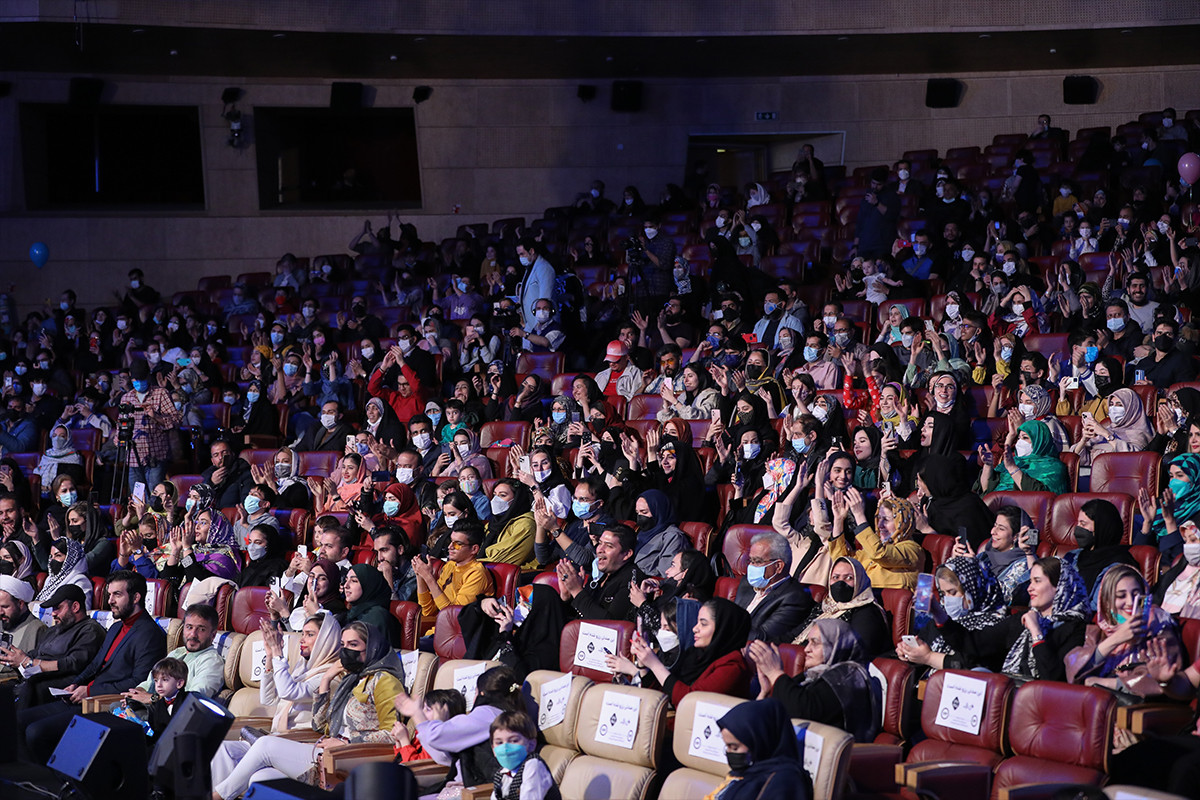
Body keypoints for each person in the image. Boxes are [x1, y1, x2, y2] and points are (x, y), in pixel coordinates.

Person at [211, 621, 403, 799]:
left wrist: (347, 742)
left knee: (265, 745)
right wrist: (326, 679)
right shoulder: (350, 679)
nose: (346, 651)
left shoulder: (384, 681)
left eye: (353, 645)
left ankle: (216, 797)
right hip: (325, 751)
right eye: (343, 645)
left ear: (372, 648)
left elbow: (393, 734)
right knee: (261, 778)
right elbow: (319, 725)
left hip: (350, 759)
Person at [19, 571, 167, 762]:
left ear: (136, 597)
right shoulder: (116, 627)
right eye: (109, 594)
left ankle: (52, 777)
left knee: (36, 732)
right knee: (18, 720)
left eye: (117, 594)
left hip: (105, 705)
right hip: (84, 698)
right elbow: (95, 664)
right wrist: (76, 683)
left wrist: (90, 691)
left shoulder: (149, 634)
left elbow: (137, 682)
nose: (110, 600)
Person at [930, 556, 1088, 680]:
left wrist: (1036, 632)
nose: (1029, 588)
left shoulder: (1076, 627)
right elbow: (974, 644)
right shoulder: (1021, 620)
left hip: (1039, 701)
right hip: (1008, 694)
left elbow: (1053, 677)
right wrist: (939, 614)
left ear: (1060, 586)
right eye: (1030, 581)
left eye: (1037, 581)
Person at [397, 665, 526, 796]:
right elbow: (446, 758)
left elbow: (436, 736)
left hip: (474, 792)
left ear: (481, 693)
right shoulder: (507, 714)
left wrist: (417, 713)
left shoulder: (487, 714)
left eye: (475, 692)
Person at [749, 618, 880, 743]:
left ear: (837, 645)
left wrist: (775, 673)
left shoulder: (848, 677)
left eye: (815, 642)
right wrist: (765, 692)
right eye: (808, 642)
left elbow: (802, 711)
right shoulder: (813, 674)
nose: (806, 649)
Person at [1066, 564, 1182, 695]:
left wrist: (1104, 683)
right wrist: (1116, 639)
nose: (1130, 602)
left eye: (1136, 595)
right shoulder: (1099, 630)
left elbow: (1161, 678)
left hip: (1134, 705)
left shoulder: (1158, 623)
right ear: (1107, 601)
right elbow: (1074, 670)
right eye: (1121, 596)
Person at [626, 598, 752, 705]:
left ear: (723, 629)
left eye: (703, 624)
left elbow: (689, 701)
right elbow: (661, 693)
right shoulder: (695, 655)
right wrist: (643, 663)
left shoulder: (732, 667)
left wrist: (655, 665)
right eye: (697, 622)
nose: (695, 628)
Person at [896, 556, 1006, 672]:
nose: (947, 599)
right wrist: (908, 652)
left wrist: (928, 657)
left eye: (952, 592)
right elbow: (922, 648)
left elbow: (972, 664)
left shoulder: (994, 626)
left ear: (973, 589)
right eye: (943, 593)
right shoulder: (939, 621)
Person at [2, 584, 104, 708]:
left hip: (55, 687)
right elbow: (36, 653)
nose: (53, 614)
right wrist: (15, 658)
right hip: (29, 681)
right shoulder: (55, 629)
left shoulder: (90, 630)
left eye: (58, 608)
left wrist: (30, 663)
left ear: (75, 607)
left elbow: (73, 663)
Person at [706, 698, 812, 800]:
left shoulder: (785, 783)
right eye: (727, 746)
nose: (728, 752)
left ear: (760, 742)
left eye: (734, 748)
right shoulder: (743, 774)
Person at [462, 586, 572, 679]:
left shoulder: (547, 650)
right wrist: (483, 604)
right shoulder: (515, 630)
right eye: (519, 602)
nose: (518, 608)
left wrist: (505, 636)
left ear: (541, 613)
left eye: (525, 605)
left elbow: (517, 674)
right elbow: (469, 620)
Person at [795, 557, 891, 660]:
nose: (840, 583)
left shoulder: (867, 612)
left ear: (859, 581)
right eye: (835, 577)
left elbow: (856, 651)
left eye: (849, 578)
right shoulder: (825, 607)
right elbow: (795, 634)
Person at [122, 603, 224, 699]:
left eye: (201, 629)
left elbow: (193, 698)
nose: (193, 634)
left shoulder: (212, 661)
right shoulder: (176, 653)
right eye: (189, 627)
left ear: (213, 635)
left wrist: (151, 699)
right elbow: (150, 682)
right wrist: (136, 694)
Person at [827, 490, 922, 590]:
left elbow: (879, 553)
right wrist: (838, 520)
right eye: (879, 518)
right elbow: (842, 562)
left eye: (886, 519)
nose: (880, 525)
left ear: (902, 524)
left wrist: (859, 515)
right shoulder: (871, 549)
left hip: (887, 600)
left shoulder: (913, 550)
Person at [733, 531, 814, 643]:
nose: (751, 566)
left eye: (757, 561)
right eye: (750, 560)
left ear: (778, 566)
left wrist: (724, 625)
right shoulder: (746, 583)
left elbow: (763, 637)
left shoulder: (795, 597)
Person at [415, 521, 493, 637]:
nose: (450, 547)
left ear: (474, 549)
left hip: (458, 636)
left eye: (457, 544)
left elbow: (452, 617)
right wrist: (420, 576)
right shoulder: (450, 565)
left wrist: (429, 578)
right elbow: (428, 611)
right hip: (436, 631)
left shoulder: (477, 574)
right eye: (451, 541)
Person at [116, 359, 183, 494]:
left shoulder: (161, 394)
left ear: (147, 376)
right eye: (135, 380)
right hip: (134, 456)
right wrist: (118, 437)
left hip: (156, 454)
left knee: (155, 494)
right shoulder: (126, 398)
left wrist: (155, 416)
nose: (138, 383)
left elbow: (176, 420)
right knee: (137, 497)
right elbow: (121, 423)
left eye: (141, 379)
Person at [556, 525, 642, 622]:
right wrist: (566, 597)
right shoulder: (600, 573)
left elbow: (610, 623)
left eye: (609, 546)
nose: (600, 549)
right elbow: (580, 613)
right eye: (600, 543)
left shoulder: (633, 579)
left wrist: (577, 591)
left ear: (626, 554)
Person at [488, 710, 559, 800]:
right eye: (499, 742)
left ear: (531, 745)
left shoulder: (534, 766)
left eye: (514, 741)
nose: (505, 747)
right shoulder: (501, 774)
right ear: (493, 749)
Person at [631, 489, 691, 577]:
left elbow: (665, 573)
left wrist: (634, 572)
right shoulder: (641, 533)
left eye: (644, 512)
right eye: (637, 512)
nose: (640, 517)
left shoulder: (673, 537)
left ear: (658, 511)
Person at [0, 575, 47, 681]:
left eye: (5, 607)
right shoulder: (3, 621)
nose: (0, 612)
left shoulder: (37, 629)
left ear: (20, 603)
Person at [32, 538, 92, 613]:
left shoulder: (80, 581)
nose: (52, 560)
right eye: (51, 556)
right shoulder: (50, 579)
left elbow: (82, 612)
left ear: (70, 558)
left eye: (58, 555)